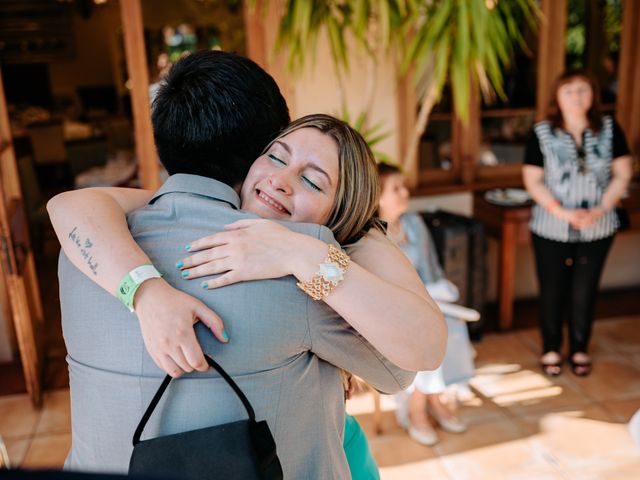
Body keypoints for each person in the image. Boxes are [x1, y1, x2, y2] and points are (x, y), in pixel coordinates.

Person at [48, 51, 445, 478]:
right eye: (276, 156)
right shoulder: (298, 268)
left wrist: (309, 248)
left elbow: (74, 204)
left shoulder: (82, 250)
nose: (280, 179)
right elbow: (403, 369)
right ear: (255, 151)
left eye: (312, 180)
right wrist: (325, 246)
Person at [522, 69, 632, 377]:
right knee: (552, 288)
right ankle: (551, 347)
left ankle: (580, 347)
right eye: (569, 90)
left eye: (583, 89)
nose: (576, 97)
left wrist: (600, 207)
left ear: (593, 94)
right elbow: (532, 179)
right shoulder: (542, 133)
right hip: (551, 225)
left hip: (598, 225)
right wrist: (562, 211)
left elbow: (623, 172)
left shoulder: (609, 129)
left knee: (585, 289)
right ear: (557, 96)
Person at [377, 163, 477, 446]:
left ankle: (433, 398)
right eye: (396, 188)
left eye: (404, 186)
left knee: (450, 324)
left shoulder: (414, 223)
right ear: (377, 196)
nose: (405, 193)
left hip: (424, 301)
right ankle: (419, 406)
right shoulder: (371, 234)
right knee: (424, 332)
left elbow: (432, 268)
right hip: (389, 312)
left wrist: (435, 296)